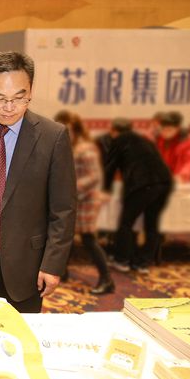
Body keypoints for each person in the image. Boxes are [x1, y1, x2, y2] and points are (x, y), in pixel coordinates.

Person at [0, 51, 76, 313]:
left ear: (30, 91)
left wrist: (52, 265)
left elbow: (63, 210)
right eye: (0, 98)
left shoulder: (52, 136)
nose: (9, 107)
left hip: (26, 266)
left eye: (19, 98)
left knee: (19, 335)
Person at [54, 111, 113, 295]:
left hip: (86, 200)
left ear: (76, 130)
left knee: (88, 240)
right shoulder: (67, 145)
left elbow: (94, 176)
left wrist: (72, 188)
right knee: (66, 236)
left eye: (68, 130)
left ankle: (107, 279)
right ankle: (61, 272)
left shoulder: (85, 149)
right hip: (73, 199)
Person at [104, 118, 173, 274]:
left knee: (126, 222)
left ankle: (122, 260)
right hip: (165, 182)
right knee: (152, 223)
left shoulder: (119, 140)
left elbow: (110, 168)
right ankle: (142, 262)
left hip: (142, 184)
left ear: (114, 131)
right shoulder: (144, 140)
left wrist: (105, 190)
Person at [156, 111, 190, 183]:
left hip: (179, 179)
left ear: (178, 128)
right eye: (163, 129)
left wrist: (183, 175)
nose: (165, 132)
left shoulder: (188, 140)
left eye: (169, 130)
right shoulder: (158, 138)